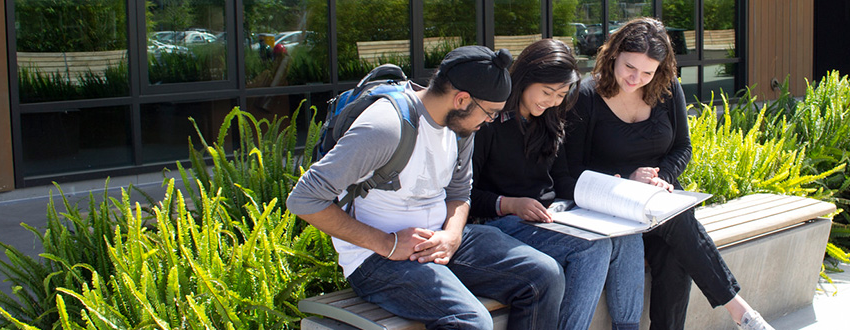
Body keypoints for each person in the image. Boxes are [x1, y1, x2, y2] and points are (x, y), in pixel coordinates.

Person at [287, 46, 564, 330]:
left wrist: (452, 236)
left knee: (544, 276)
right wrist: (388, 243)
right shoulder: (386, 127)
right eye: (490, 113)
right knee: (470, 322)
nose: (489, 122)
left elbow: (459, 193)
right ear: (462, 99)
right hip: (377, 258)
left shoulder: (461, 130)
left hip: (439, 242)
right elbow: (304, 199)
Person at [552, 18, 776, 330]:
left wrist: (663, 177)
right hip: (611, 209)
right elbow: (569, 172)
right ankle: (741, 312)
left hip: (661, 202)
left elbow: (683, 147)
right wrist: (627, 179)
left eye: (647, 72)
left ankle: (739, 313)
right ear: (614, 54)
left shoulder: (667, 90)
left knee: (675, 256)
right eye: (630, 67)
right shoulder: (585, 97)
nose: (636, 78)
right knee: (680, 229)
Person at [469, 39, 645, 330]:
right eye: (547, 91)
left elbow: (561, 180)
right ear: (525, 79)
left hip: (551, 216)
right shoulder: (490, 122)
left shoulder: (551, 119)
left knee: (629, 235)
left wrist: (600, 190)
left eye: (561, 94)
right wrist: (509, 204)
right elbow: (467, 195)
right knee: (593, 249)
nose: (551, 101)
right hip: (500, 223)